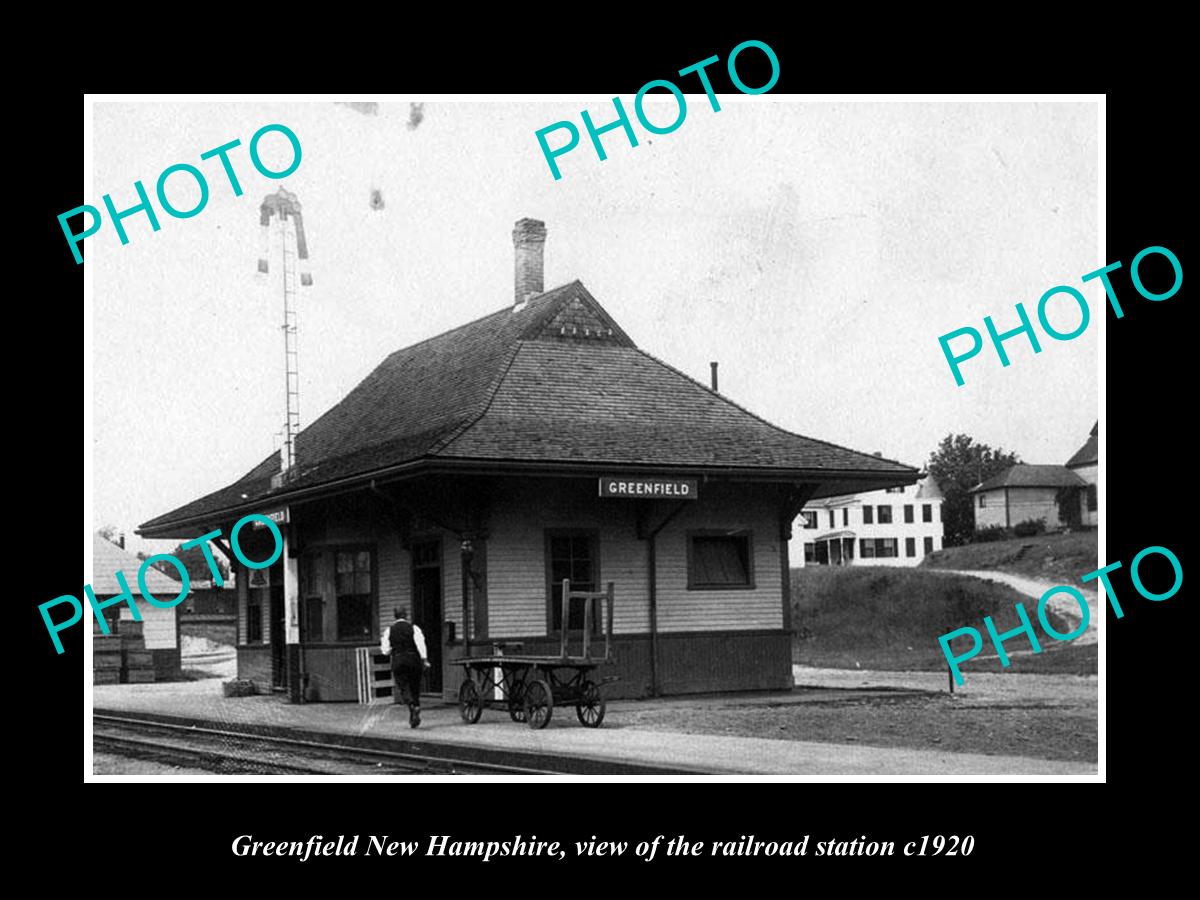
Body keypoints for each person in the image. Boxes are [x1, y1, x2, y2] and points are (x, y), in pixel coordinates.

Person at [381, 607, 430, 728]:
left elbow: (385, 651)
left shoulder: (389, 630)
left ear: (395, 616)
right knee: (415, 686)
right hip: (413, 660)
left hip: (398, 659)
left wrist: (395, 647)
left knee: (403, 686)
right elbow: (421, 645)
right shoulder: (414, 628)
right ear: (406, 615)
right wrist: (425, 659)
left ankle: (412, 705)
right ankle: (416, 707)